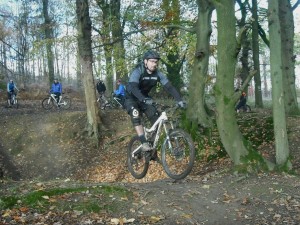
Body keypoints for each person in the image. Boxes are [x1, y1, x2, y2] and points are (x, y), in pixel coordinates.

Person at [124, 50, 185, 153]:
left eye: (156, 62)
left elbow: (169, 87)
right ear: (145, 62)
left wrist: (179, 100)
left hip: (144, 98)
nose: (154, 64)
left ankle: (151, 145)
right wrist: (143, 99)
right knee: (135, 114)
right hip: (131, 98)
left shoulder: (158, 74)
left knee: (156, 118)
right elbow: (133, 88)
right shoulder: (138, 71)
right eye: (152, 61)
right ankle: (143, 142)